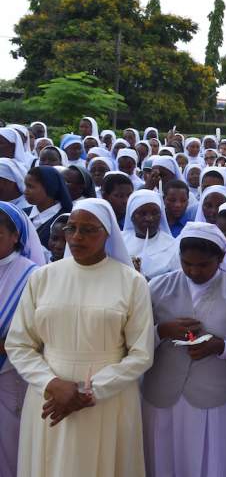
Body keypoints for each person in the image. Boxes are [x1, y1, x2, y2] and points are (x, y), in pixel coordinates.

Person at [6, 198, 154, 477]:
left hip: (108, 399)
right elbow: (20, 343)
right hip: (48, 397)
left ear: (107, 233)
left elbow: (141, 353)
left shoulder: (131, 282)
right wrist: (52, 383)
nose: (76, 237)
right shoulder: (43, 278)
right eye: (71, 228)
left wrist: (90, 391)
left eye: (88, 230)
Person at [141, 222, 226, 477]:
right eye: (187, 264)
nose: (194, 271)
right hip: (164, 399)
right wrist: (162, 331)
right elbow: (133, 342)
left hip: (217, 402)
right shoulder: (157, 288)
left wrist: (221, 346)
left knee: (213, 463)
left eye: (203, 265)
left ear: (220, 258)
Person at [0, 202, 43, 477]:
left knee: (11, 449)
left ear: (16, 235)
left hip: (12, 375)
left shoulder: (33, 275)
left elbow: (40, 336)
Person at [122, 190, 177, 280]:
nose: (149, 218)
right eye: (142, 214)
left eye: (155, 213)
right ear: (131, 216)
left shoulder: (173, 246)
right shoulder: (120, 241)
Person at [23, 166, 75, 246]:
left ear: (49, 187)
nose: (25, 191)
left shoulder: (65, 218)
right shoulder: (23, 213)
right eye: (26, 186)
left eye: (31, 186)